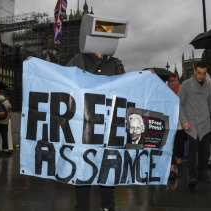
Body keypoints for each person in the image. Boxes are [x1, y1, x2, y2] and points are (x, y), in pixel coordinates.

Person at [66, 14, 127, 211]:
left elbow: (126, 88)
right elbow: (60, 80)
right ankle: (82, 207)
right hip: (83, 127)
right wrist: (37, 66)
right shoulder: (78, 60)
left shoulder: (116, 64)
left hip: (108, 127)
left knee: (107, 170)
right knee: (83, 170)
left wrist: (146, 77)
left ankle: (108, 206)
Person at [178, 62, 211, 189]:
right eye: (199, 73)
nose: (201, 76)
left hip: (205, 123)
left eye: (204, 73)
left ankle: (202, 173)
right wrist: (184, 121)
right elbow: (179, 104)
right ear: (194, 71)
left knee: (204, 151)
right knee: (192, 152)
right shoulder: (185, 85)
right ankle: (192, 176)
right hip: (191, 124)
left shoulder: (208, 86)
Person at [167, 74, 186, 180]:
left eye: (174, 80)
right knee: (170, 146)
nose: (173, 83)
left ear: (178, 81)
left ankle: (178, 161)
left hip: (181, 123)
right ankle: (172, 168)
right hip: (170, 123)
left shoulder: (183, 91)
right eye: (170, 81)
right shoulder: (166, 92)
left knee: (180, 144)